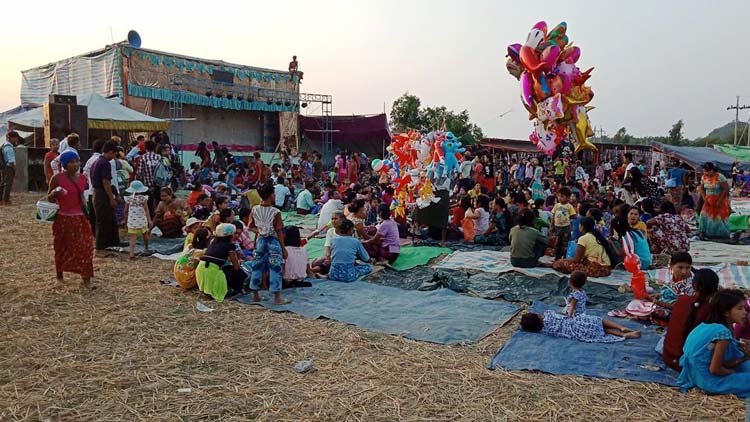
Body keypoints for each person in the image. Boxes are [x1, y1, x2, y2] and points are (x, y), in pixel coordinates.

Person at [678, 289, 750, 397]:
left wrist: (745, 357)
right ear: (726, 312)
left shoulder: (707, 325)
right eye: (739, 308)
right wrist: (734, 374)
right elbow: (715, 369)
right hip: (710, 381)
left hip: (695, 375)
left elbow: (720, 360)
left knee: (745, 364)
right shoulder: (723, 333)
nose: (745, 312)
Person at [46, 150, 94, 289]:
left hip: (79, 218)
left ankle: (86, 279)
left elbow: (82, 197)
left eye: (77, 161)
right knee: (61, 247)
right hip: (63, 218)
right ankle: (59, 276)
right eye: (71, 162)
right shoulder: (57, 178)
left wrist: (87, 211)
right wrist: (54, 193)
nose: (75, 164)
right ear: (64, 164)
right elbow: (49, 197)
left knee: (85, 247)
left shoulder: (82, 178)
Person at [662, 268, 719, 371]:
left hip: (668, 356)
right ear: (716, 288)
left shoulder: (682, 300)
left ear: (693, 285)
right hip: (688, 363)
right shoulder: (713, 309)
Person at [249, 182, 289, 305]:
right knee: (275, 268)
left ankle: (255, 295)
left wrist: (261, 231)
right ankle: (277, 297)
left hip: (260, 240)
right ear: (271, 195)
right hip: (273, 241)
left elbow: (250, 226)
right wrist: (283, 249)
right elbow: (279, 231)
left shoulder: (254, 209)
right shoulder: (275, 212)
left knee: (256, 266)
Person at [520, 310, 641, 343]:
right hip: (579, 322)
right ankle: (621, 327)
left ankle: (622, 335)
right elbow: (564, 314)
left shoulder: (545, 330)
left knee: (604, 332)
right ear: (538, 316)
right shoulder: (548, 314)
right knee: (599, 321)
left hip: (578, 333)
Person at [196, 223, 243, 302]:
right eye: (235, 233)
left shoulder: (213, 243)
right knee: (239, 273)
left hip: (200, 271)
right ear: (230, 235)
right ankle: (233, 290)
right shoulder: (229, 246)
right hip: (211, 273)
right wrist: (239, 260)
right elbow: (236, 266)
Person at [91, 141, 120, 256]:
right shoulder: (105, 163)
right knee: (102, 221)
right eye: (114, 154)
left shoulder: (97, 161)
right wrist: (111, 198)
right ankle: (99, 248)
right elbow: (106, 182)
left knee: (107, 219)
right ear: (111, 152)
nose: (113, 157)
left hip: (98, 192)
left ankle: (107, 244)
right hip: (101, 194)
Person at [697, 162, 731, 240]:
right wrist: (704, 197)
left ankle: (719, 234)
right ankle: (704, 232)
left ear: (713, 170)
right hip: (708, 200)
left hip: (719, 199)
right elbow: (701, 188)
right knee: (704, 215)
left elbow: (726, 189)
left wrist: (719, 200)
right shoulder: (704, 177)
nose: (707, 172)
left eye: (708, 171)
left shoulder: (720, 176)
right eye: (705, 171)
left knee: (718, 217)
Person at [123, 180, 152, 260]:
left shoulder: (128, 199)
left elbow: (125, 211)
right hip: (142, 219)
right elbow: (146, 210)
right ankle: (146, 247)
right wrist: (149, 220)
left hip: (132, 220)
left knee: (133, 237)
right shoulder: (143, 198)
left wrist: (125, 220)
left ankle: (131, 253)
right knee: (145, 234)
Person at [135, 140, 162, 218]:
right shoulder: (159, 157)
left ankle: (150, 220)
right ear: (154, 147)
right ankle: (159, 219)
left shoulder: (142, 158)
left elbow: (139, 173)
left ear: (145, 148)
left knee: (149, 205)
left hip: (147, 186)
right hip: (158, 184)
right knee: (159, 203)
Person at [551, 187, 577, 259]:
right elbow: (553, 215)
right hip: (557, 227)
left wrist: (568, 217)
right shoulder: (556, 206)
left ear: (568, 197)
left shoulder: (569, 206)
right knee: (557, 242)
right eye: (559, 196)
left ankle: (565, 257)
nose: (560, 198)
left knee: (565, 243)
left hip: (566, 227)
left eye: (562, 196)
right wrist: (551, 226)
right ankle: (557, 256)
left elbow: (574, 216)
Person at [0, 131, 21, 206]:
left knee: (3, 183)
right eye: (15, 138)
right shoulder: (9, 147)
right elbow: (11, 161)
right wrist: (15, 169)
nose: (16, 140)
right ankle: (6, 200)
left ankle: (1, 200)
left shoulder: (4, 145)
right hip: (9, 167)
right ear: (11, 138)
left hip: (3, 167)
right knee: (8, 184)